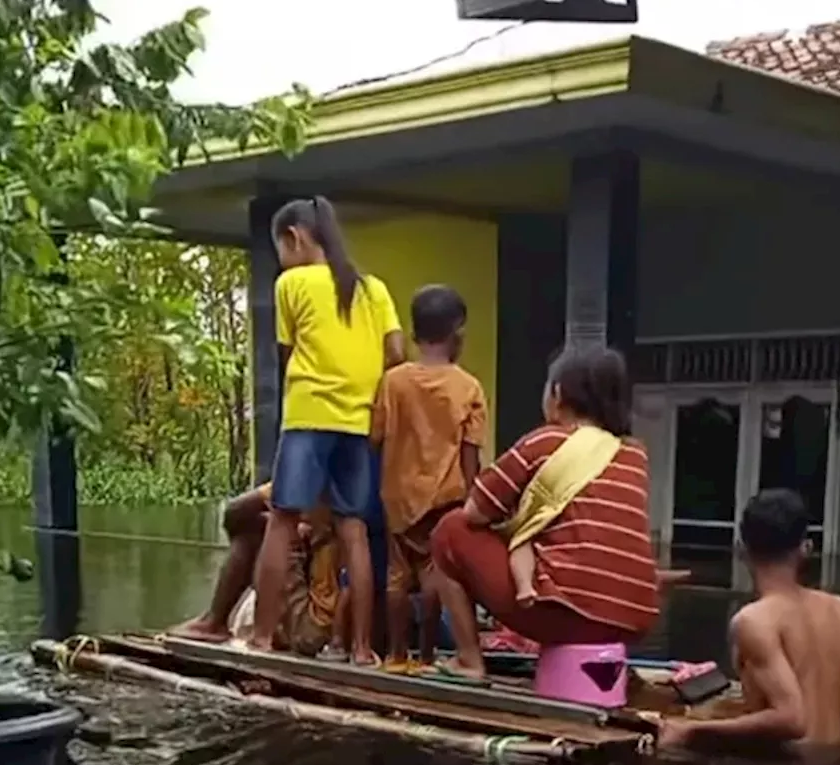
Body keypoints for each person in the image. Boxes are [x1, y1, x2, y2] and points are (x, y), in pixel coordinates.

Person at [428, 345, 660, 679]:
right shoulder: (634, 454)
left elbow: (475, 514)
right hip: (633, 621)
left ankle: (468, 660)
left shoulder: (545, 440)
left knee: (449, 530)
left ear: (557, 394)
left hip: (565, 614)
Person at [246, 196, 404, 666]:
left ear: (293, 237)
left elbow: (285, 351)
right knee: (354, 529)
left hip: (309, 417)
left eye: (282, 248)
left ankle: (260, 637)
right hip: (356, 424)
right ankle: (359, 649)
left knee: (281, 521)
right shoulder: (372, 287)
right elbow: (396, 353)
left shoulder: (291, 282)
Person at [658, 488, 840, 752]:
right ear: (806, 548)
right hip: (837, 762)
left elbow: (791, 720)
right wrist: (825, 706)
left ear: (741, 550)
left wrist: (690, 731)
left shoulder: (754, 621)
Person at [371, 285, 487, 671]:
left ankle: (396, 655)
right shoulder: (468, 387)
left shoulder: (393, 382)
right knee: (436, 575)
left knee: (396, 578)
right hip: (446, 498)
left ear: (415, 331)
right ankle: (427, 656)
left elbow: (376, 436)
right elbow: (471, 453)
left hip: (397, 496)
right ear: (457, 331)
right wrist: (476, 502)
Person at [167, 484, 338, 653]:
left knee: (265, 530)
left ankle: (225, 626)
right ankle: (221, 623)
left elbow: (234, 512)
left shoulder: (308, 476)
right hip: (336, 628)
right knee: (274, 527)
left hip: (313, 632)